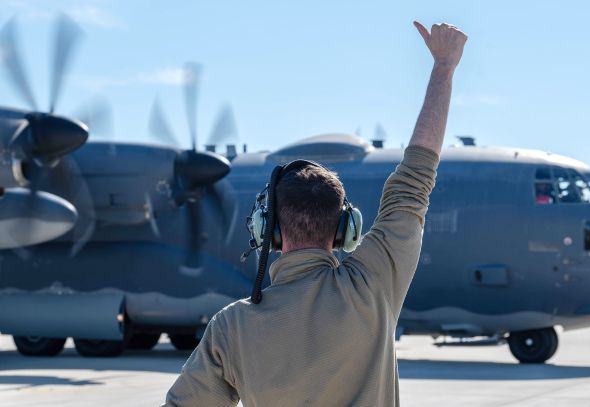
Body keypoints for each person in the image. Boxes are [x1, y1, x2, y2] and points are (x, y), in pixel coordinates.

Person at [163, 21, 467, 407]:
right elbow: (413, 183)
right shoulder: (371, 286)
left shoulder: (232, 326)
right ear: (345, 230)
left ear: (267, 231)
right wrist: (444, 67)